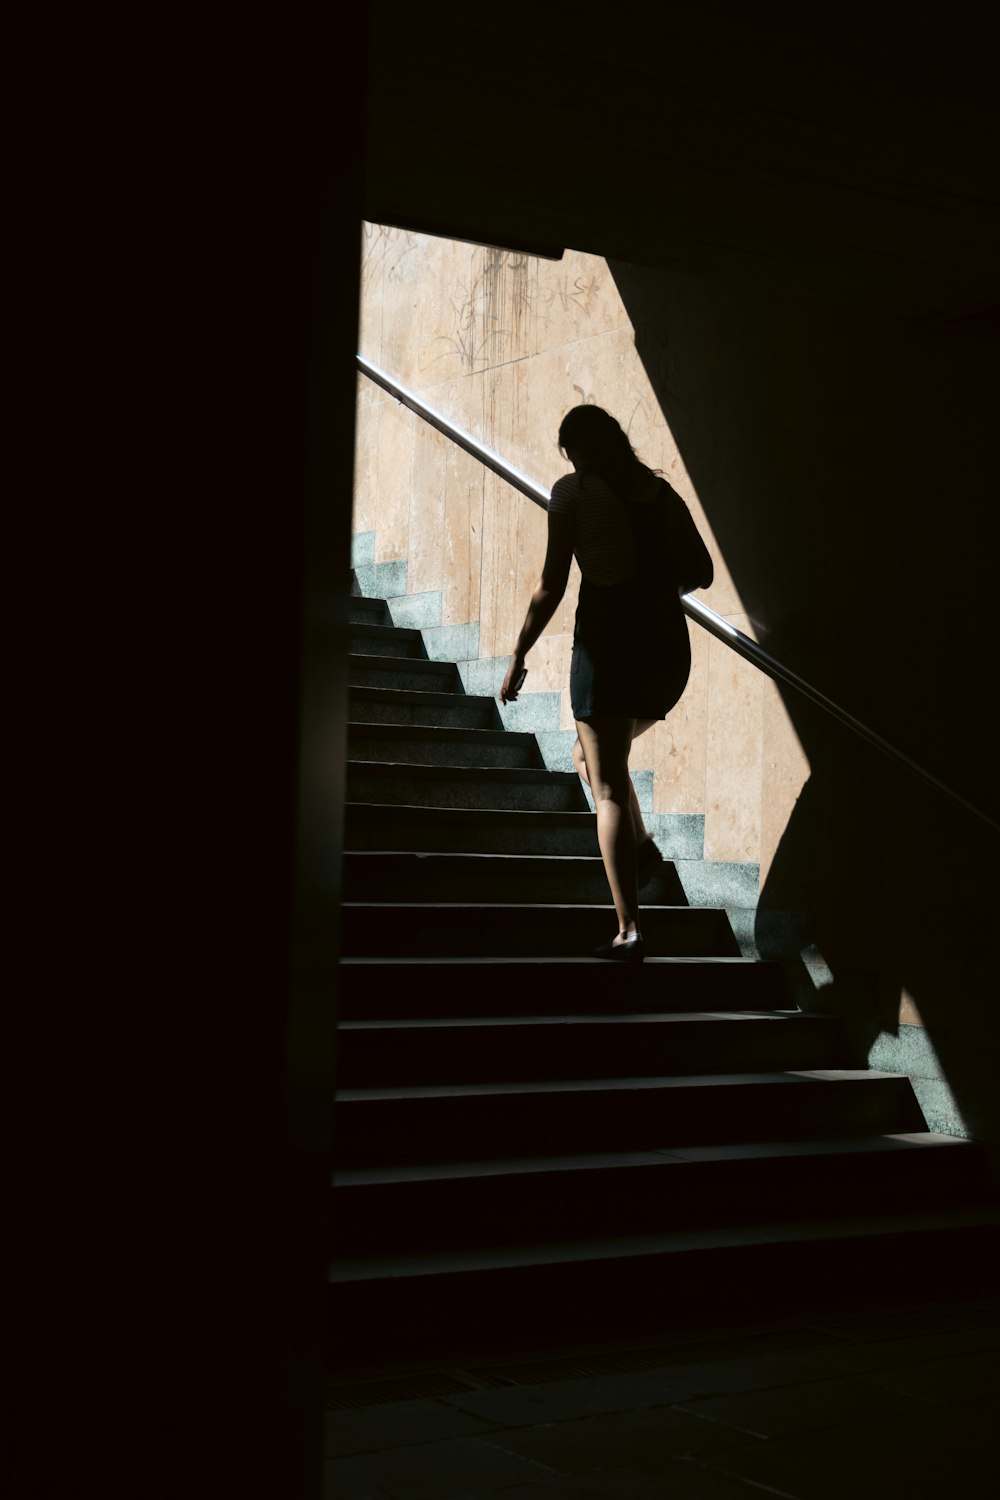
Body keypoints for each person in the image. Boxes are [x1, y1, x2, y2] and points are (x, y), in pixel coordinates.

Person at [499, 405, 714, 961]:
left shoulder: (573, 493)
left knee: (610, 784)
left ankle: (629, 929)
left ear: (577, 449)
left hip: (609, 647)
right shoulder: (662, 495)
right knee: (588, 759)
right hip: (665, 653)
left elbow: (552, 583)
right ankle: (641, 854)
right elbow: (703, 571)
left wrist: (520, 652)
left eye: (569, 452)